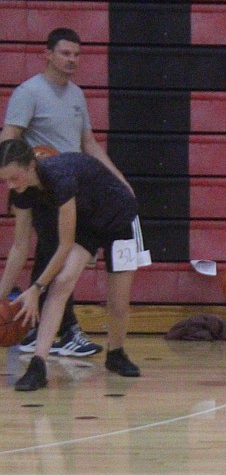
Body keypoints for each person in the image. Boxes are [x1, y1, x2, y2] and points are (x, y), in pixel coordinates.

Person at [0, 27, 132, 358]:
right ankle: (55, 327)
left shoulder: (76, 95)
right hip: (35, 185)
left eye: (76, 54)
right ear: (48, 54)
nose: (72, 60)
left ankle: (56, 327)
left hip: (70, 188)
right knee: (46, 251)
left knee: (57, 252)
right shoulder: (28, 92)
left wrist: (119, 178)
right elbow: (9, 138)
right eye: (65, 53)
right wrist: (14, 181)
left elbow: (88, 144)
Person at [0, 139, 143, 390]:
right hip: (88, 223)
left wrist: (35, 288)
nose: (11, 185)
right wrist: (1, 297)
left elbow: (64, 245)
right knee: (62, 282)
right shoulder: (21, 193)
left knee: (118, 301)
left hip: (120, 219)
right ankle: (38, 364)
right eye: (5, 181)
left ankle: (116, 353)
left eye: (14, 178)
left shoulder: (59, 178)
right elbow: (19, 246)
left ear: (31, 166)